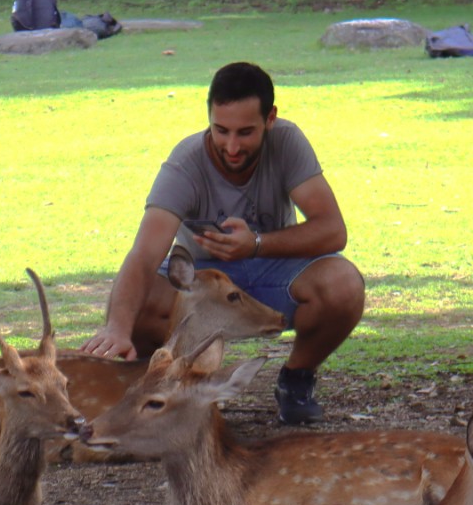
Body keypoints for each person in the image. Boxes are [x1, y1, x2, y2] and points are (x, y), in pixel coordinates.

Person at [81, 62, 365, 425]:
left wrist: (256, 244)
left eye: (245, 133)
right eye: (221, 131)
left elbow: (333, 230)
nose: (232, 146)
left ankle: (296, 379)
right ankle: (165, 386)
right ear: (209, 118)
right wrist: (117, 328)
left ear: (270, 118)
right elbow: (143, 256)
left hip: (271, 271)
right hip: (199, 282)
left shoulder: (288, 143)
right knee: (143, 299)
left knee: (343, 284)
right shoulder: (185, 165)